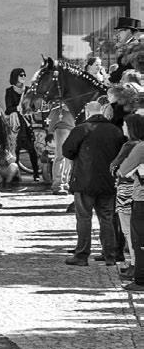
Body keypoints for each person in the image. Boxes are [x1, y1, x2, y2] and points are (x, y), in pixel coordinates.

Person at [63, 101, 126, 266]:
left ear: (87, 112)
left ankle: (82, 255)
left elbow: (67, 151)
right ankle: (110, 255)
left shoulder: (81, 129)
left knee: (84, 218)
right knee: (107, 218)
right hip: (107, 181)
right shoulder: (115, 131)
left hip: (84, 181)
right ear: (102, 112)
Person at [110, 114, 144, 279]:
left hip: (128, 191)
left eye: (125, 125)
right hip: (135, 190)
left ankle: (135, 265)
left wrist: (116, 170)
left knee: (129, 231)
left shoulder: (131, 146)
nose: (123, 127)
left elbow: (117, 168)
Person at [3, 68, 39, 181]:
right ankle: (16, 176)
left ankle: (36, 174)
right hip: (16, 124)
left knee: (32, 150)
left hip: (26, 123)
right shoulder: (9, 91)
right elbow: (8, 109)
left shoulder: (28, 90)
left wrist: (27, 109)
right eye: (21, 75)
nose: (23, 77)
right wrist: (16, 109)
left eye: (24, 75)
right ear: (15, 77)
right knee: (16, 150)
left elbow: (33, 107)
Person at [49, 102, 75, 195]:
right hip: (62, 123)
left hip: (71, 123)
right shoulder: (60, 94)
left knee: (68, 156)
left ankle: (64, 182)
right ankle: (58, 184)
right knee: (61, 155)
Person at [109, 17, 141, 84]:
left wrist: (110, 78)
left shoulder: (135, 46)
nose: (117, 34)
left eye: (120, 31)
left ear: (129, 31)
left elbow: (125, 69)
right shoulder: (129, 45)